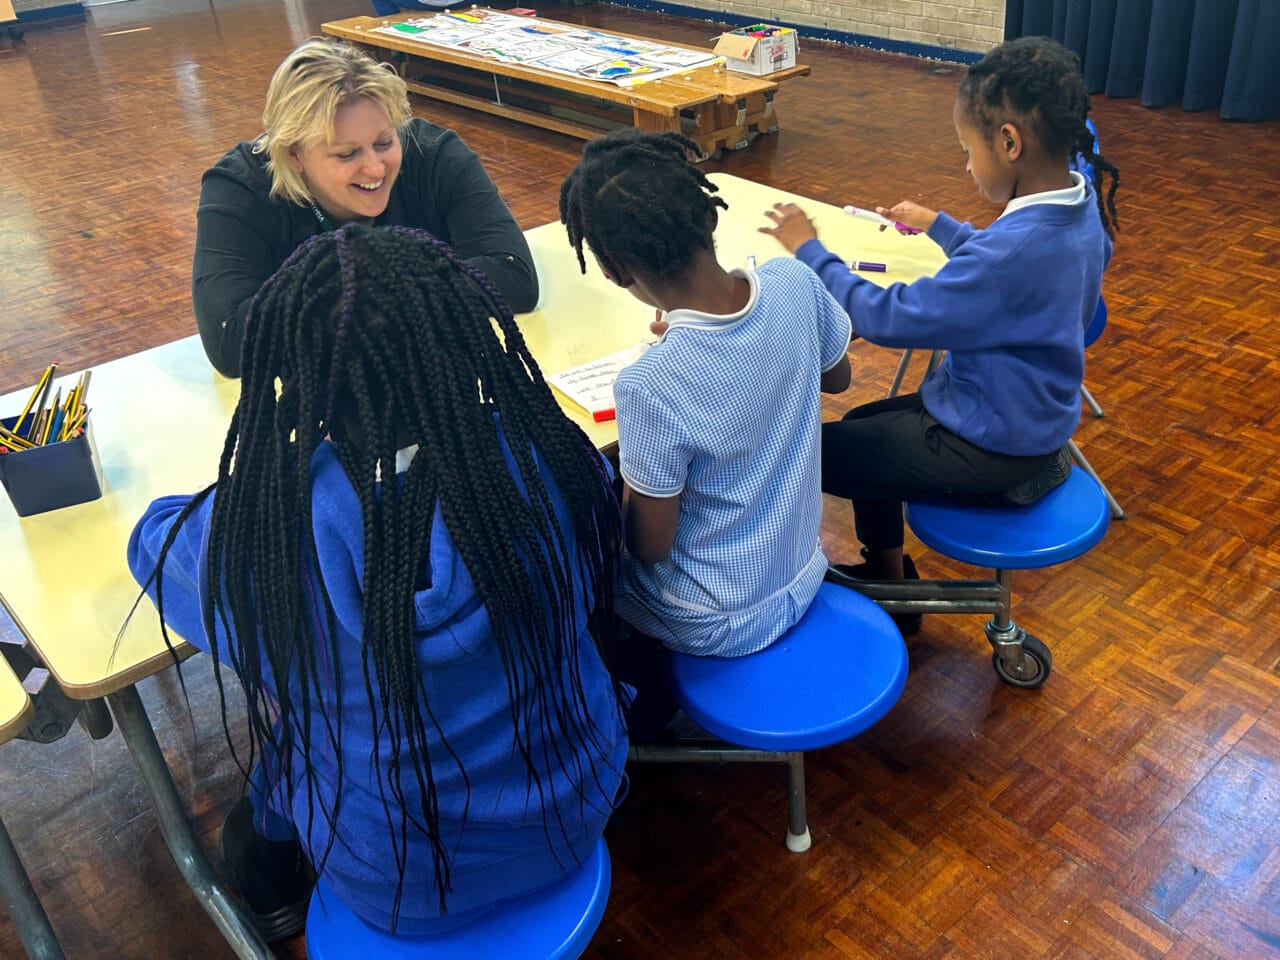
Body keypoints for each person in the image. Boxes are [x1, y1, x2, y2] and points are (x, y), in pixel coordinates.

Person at [129, 224, 627, 939]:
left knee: (295, 742)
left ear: (297, 377)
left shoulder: (266, 536)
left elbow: (151, 538)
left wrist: (260, 482)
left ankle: (267, 897)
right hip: (577, 807)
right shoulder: (551, 454)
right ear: (463, 341)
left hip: (405, 885)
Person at [759, 36, 1120, 635]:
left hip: (989, 444)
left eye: (968, 150)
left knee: (803, 451)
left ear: (1008, 142)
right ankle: (893, 583)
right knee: (855, 427)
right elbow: (1011, 270)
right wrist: (941, 227)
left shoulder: (1012, 251)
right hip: (1025, 412)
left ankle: (810, 584)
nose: (966, 165)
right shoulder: (1080, 206)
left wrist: (810, 250)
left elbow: (887, 318)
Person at [558, 129, 853, 720]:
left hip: (719, 619)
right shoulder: (794, 283)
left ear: (614, 272)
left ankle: (633, 699)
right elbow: (838, 378)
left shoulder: (650, 385)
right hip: (801, 568)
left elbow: (649, 546)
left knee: (580, 559)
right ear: (707, 216)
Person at [193, 39, 538, 378]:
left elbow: (513, 276)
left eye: (385, 142)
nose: (376, 168)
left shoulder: (435, 156)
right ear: (293, 154)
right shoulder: (239, 189)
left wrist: (341, 300)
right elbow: (230, 340)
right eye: (347, 154)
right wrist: (415, 290)